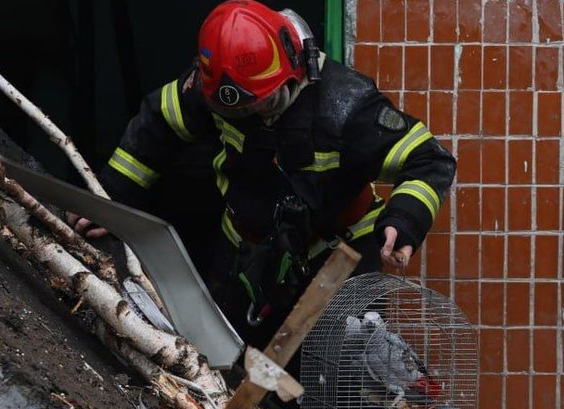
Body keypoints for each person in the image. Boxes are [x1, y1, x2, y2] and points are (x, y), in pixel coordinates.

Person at [74, 0, 455, 363]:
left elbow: (429, 159)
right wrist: (110, 197)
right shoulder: (211, 88)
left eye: (264, 104)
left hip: (338, 258)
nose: (254, 116)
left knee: (335, 377)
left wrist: (405, 219)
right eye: (238, 112)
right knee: (224, 362)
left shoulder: (347, 106)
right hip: (247, 250)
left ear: (294, 71)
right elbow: (158, 125)